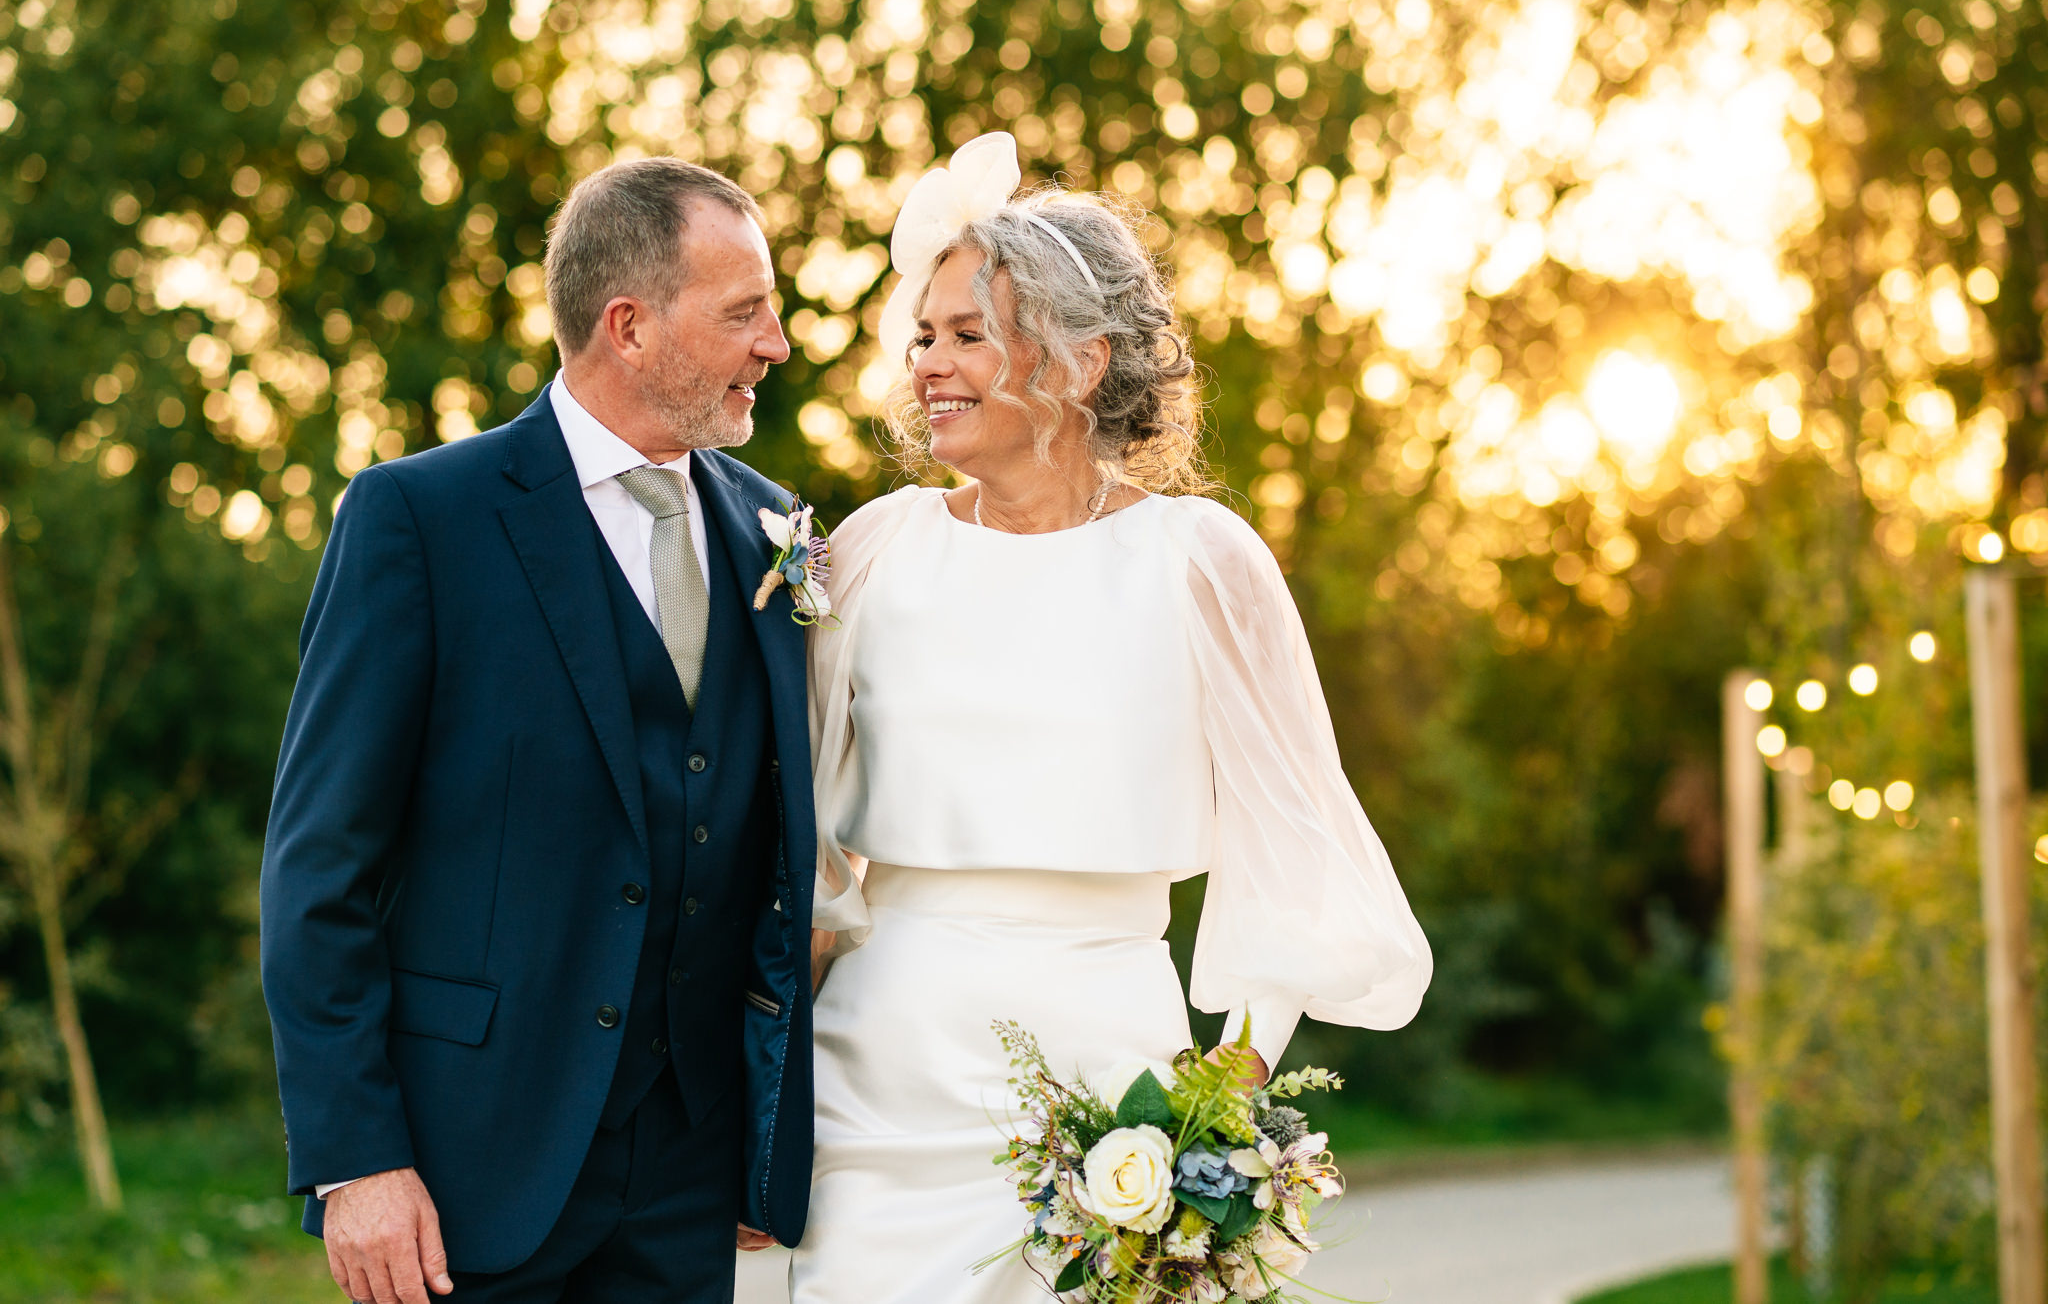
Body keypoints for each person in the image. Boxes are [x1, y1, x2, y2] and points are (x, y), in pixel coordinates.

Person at [792, 132, 1433, 1302]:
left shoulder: (1198, 561)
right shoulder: (876, 548)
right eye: (921, 336)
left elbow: (1292, 856)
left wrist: (1206, 1120)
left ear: (1080, 363)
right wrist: (763, 1091)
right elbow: (807, 851)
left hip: (1104, 1086)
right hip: (873, 1086)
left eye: (966, 334)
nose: (926, 363)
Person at [261, 157, 818, 1304]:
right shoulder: (421, 519)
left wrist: (761, 1122)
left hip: (689, 1170)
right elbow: (318, 869)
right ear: (628, 325)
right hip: (471, 1165)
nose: (777, 342)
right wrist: (355, 1158)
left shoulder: (772, 525)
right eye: (744, 312)